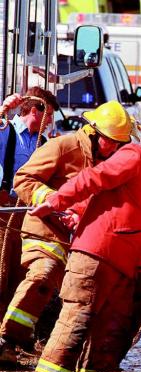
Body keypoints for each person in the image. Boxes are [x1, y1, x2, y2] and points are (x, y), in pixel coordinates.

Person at [30, 135, 141, 372]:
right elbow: (94, 179)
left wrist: (78, 210)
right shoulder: (139, 157)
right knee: (75, 321)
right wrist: (55, 203)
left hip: (122, 264)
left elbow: (112, 196)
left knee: (110, 332)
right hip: (95, 254)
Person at [0, 100, 134, 364]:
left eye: (121, 143)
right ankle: (8, 340)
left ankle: (41, 341)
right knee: (44, 272)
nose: (117, 148)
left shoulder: (112, 160)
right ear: (95, 133)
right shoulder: (64, 147)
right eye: (112, 141)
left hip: (82, 239)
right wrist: (54, 201)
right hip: (45, 229)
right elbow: (24, 179)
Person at [0, 87, 59, 323]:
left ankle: (6, 334)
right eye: (49, 116)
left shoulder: (44, 143)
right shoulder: (5, 129)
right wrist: (3, 109)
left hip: (26, 216)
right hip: (3, 214)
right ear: (35, 111)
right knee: (0, 273)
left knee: (19, 273)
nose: (50, 122)